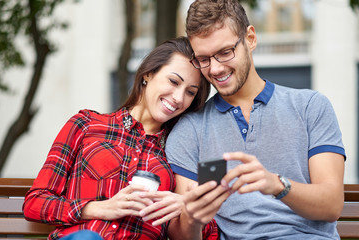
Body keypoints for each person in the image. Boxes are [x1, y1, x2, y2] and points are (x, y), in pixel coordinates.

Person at [166, 0, 346, 239]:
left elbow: (332, 205)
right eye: (204, 59)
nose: (216, 69)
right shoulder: (190, 129)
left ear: (250, 39)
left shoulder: (310, 106)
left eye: (225, 52)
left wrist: (276, 184)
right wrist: (192, 216)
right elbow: (184, 233)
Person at [23, 36, 214, 240]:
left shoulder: (177, 154)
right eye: (173, 81)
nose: (178, 97)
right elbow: (35, 202)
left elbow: (207, 231)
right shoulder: (86, 124)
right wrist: (100, 208)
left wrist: (189, 208)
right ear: (148, 74)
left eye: (190, 92)